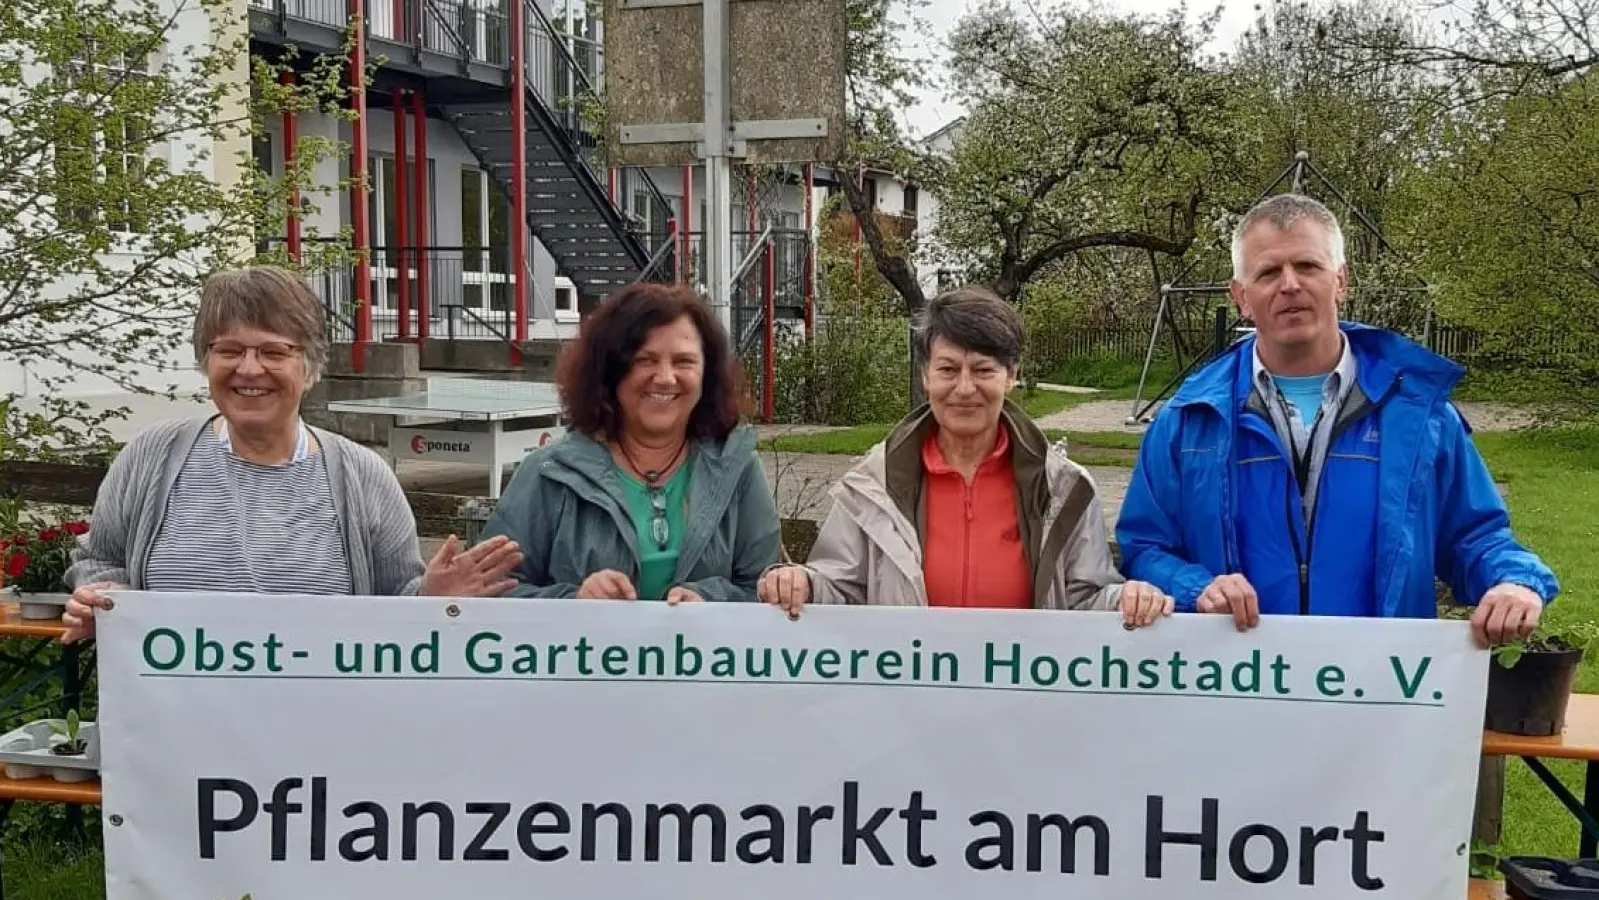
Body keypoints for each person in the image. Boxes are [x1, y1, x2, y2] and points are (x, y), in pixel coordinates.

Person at [1114, 193, 1558, 647]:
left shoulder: (1421, 418)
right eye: (1268, 272)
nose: (1289, 285)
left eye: (1307, 266)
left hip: (1377, 689)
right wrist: (1197, 589)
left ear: (1340, 280)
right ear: (1241, 297)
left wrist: (1514, 581)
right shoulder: (1188, 421)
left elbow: (1475, 536)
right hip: (1237, 689)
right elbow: (1145, 548)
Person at [61, 265, 524, 643]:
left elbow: (394, 607)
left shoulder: (363, 477)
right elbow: (99, 561)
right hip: (174, 738)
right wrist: (102, 596)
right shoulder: (152, 456)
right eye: (229, 349)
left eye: (273, 351)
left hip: (317, 739)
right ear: (206, 360)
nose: (249, 369)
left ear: (310, 367)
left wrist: (429, 598)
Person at [758, 286, 1172, 624]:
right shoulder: (873, 484)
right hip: (907, 708)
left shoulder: (1064, 489)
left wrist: (1126, 598)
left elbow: (1086, 599)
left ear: (1011, 375)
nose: (964, 388)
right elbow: (841, 589)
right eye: (948, 369)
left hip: (1023, 708)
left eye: (983, 370)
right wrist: (803, 583)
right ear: (925, 376)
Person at [479, 281, 782, 603]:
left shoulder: (738, 469)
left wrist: (709, 599)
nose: (665, 377)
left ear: (707, 374)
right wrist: (574, 600)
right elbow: (490, 594)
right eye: (644, 360)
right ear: (610, 372)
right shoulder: (548, 472)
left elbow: (762, 590)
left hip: (703, 655)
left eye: (684, 362)